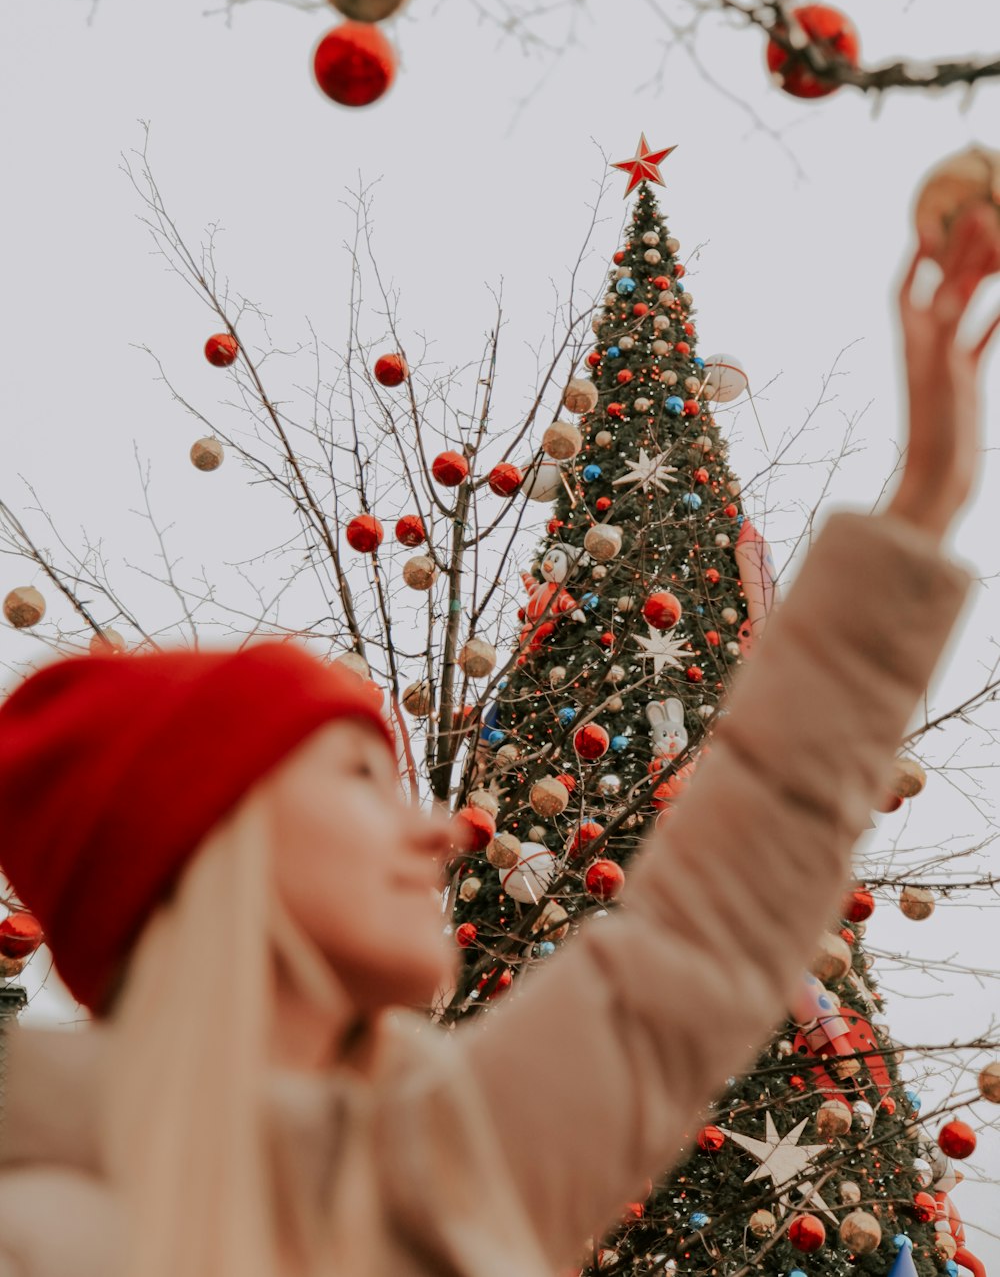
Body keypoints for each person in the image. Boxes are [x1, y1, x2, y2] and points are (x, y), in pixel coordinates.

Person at [0, 206, 996, 1277]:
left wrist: (921, 502)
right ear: (201, 838)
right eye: (355, 782)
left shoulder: (462, 1157)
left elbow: (718, 915)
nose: (440, 835)